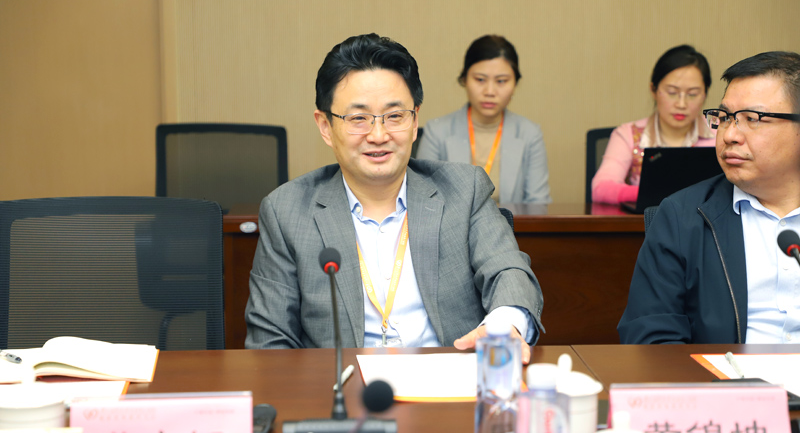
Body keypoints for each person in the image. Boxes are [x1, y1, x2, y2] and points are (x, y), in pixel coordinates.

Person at [245, 33, 544, 360]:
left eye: (395, 116)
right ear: (326, 126)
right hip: (343, 386)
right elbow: (270, 341)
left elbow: (509, 272)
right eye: (358, 118)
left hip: (449, 381)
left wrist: (503, 326)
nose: (378, 135)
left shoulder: (464, 190)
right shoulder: (286, 212)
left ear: (415, 122)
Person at [618, 51, 800, 344]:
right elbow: (652, 338)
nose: (729, 135)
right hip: (725, 373)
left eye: (752, 119)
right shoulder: (681, 217)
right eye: (725, 118)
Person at [416, 35, 551, 204]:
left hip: (512, 222)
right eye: (480, 80)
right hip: (454, 222)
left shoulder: (530, 134)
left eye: (501, 81)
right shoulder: (437, 132)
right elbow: (424, 201)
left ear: (515, 83)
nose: (490, 91)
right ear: (464, 79)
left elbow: (538, 204)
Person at [592, 45, 716, 205]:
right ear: (653, 89)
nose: (681, 104)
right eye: (672, 92)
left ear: (705, 94)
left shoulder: (722, 132)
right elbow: (600, 188)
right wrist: (651, 194)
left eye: (692, 94)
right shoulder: (628, 134)